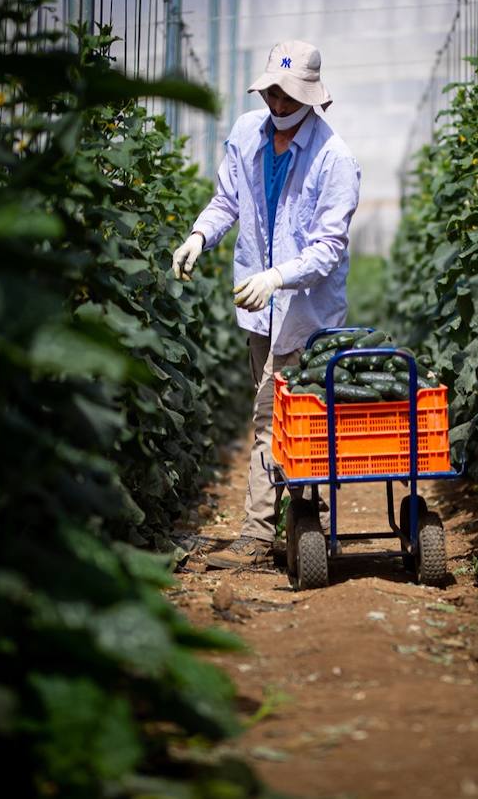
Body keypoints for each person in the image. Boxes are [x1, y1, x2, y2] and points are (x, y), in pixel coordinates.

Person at [171, 39, 360, 569]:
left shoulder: (334, 159)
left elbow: (327, 248)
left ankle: (259, 536)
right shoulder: (246, 134)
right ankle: (304, 518)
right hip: (258, 309)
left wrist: (278, 277)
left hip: (303, 312)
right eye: (271, 92)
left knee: (271, 417)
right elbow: (227, 201)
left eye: (288, 95)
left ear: (311, 97)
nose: (277, 103)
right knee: (283, 418)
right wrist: (198, 236)